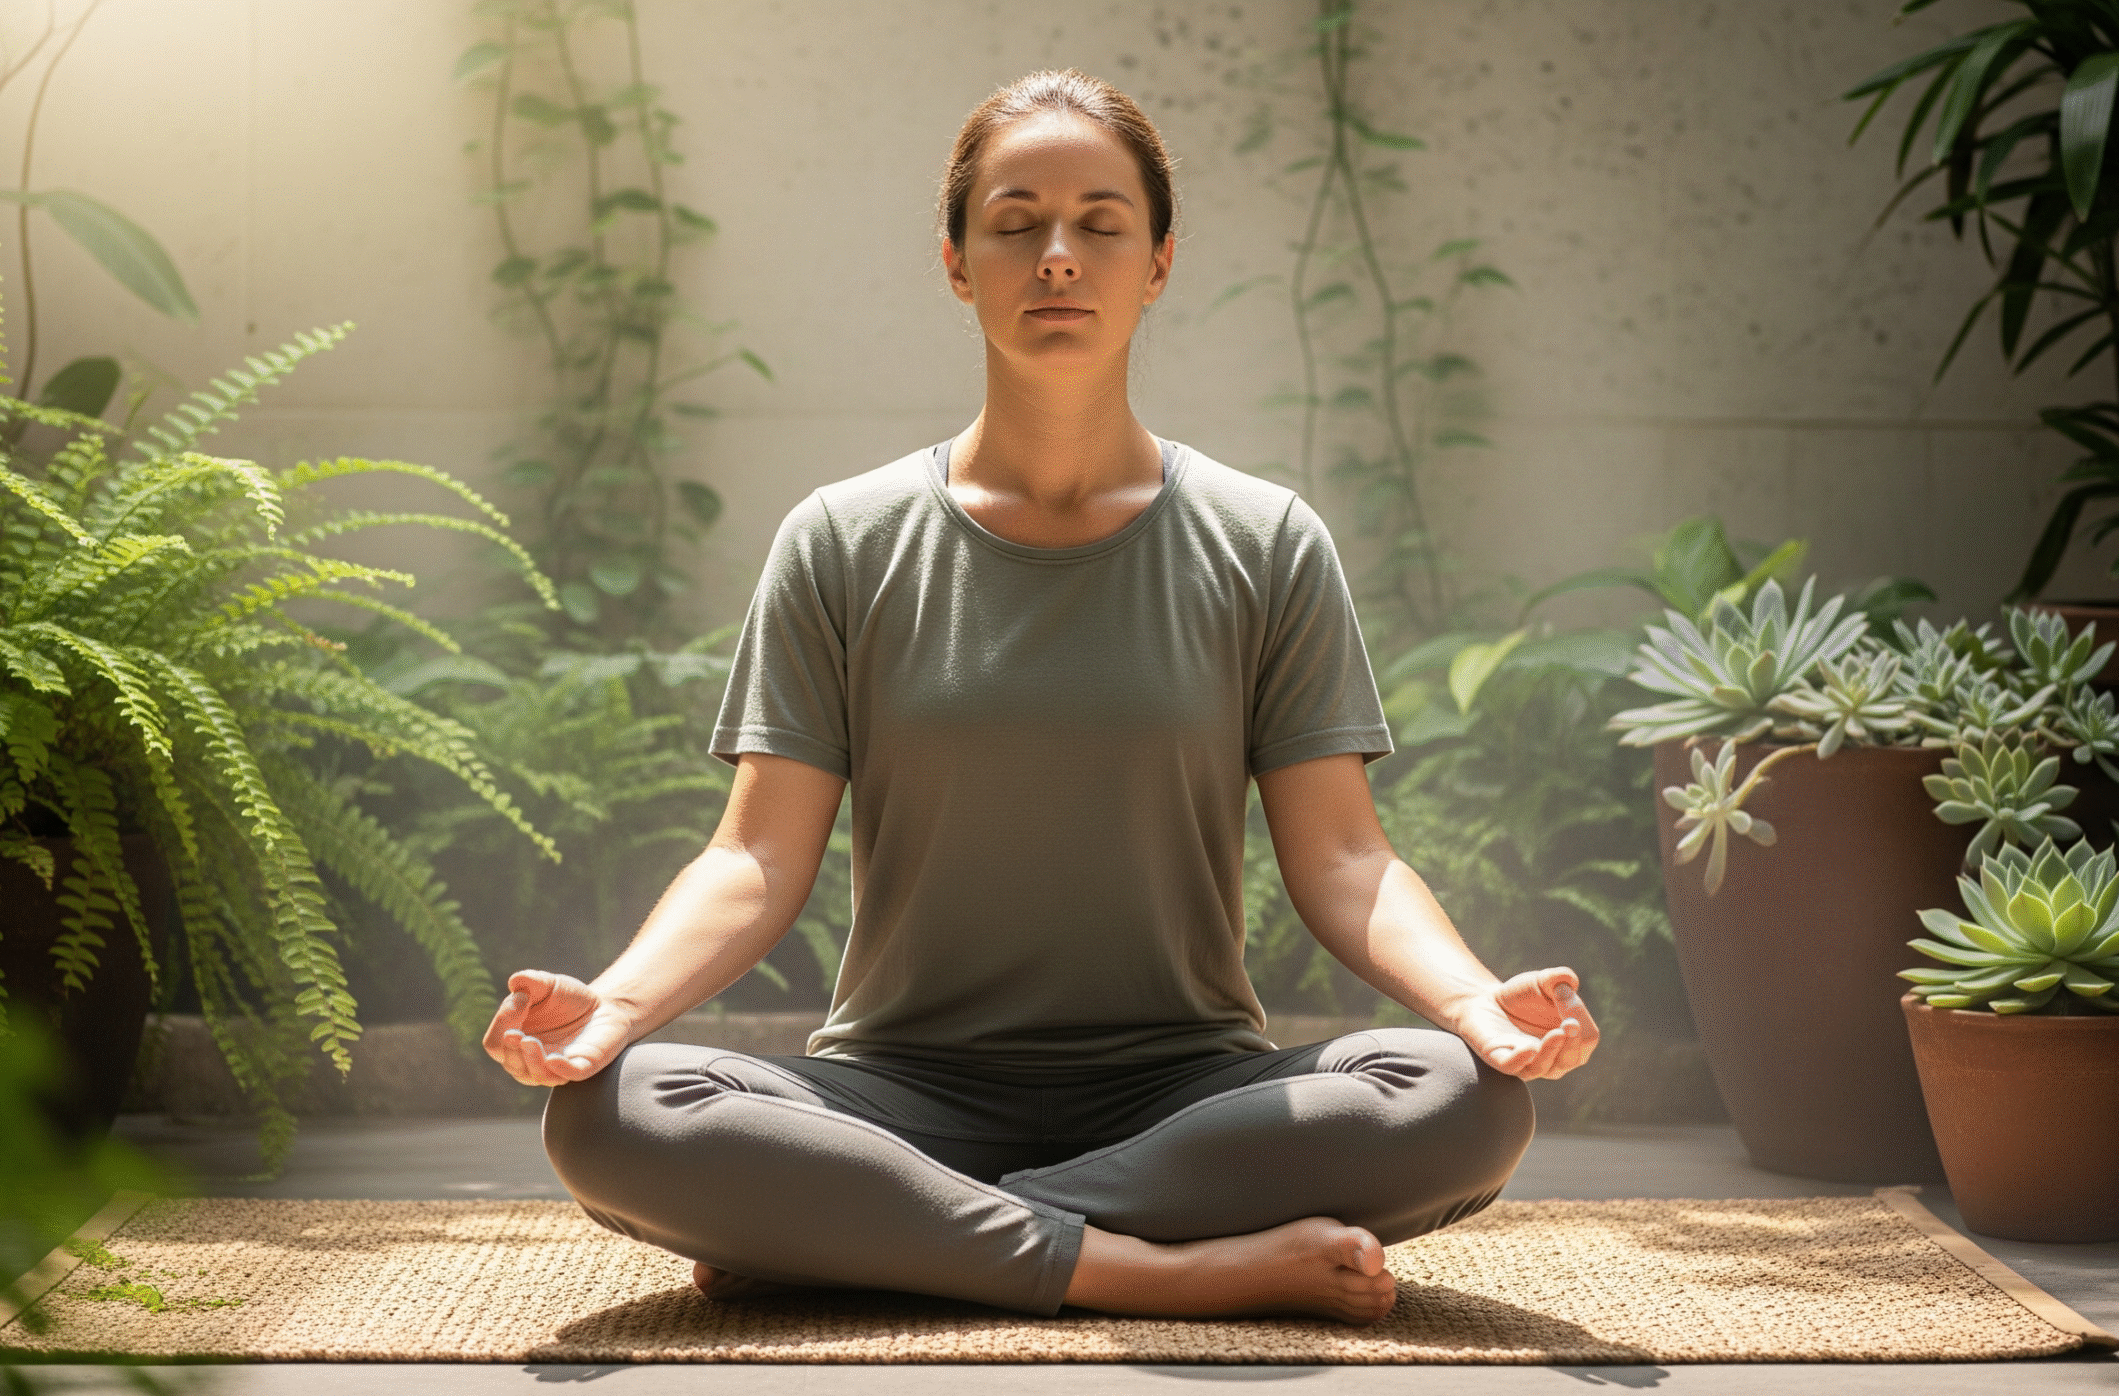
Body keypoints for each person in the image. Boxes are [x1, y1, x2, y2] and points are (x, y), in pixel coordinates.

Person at [484, 68, 1598, 1327]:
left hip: (1188, 1102)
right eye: (1015, 222)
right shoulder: (843, 540)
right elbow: (751, 858)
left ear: (1158, 262)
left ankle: (878, 1229)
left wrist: (1472, 1002)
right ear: (959, 262)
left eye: (1099, 223)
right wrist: (612, 1007)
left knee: (1459, 1098)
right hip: (896, 1090)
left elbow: (1344, 856)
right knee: (615, 1114)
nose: (1056, 255)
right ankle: (1157, 1269)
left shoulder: (1265, 539)